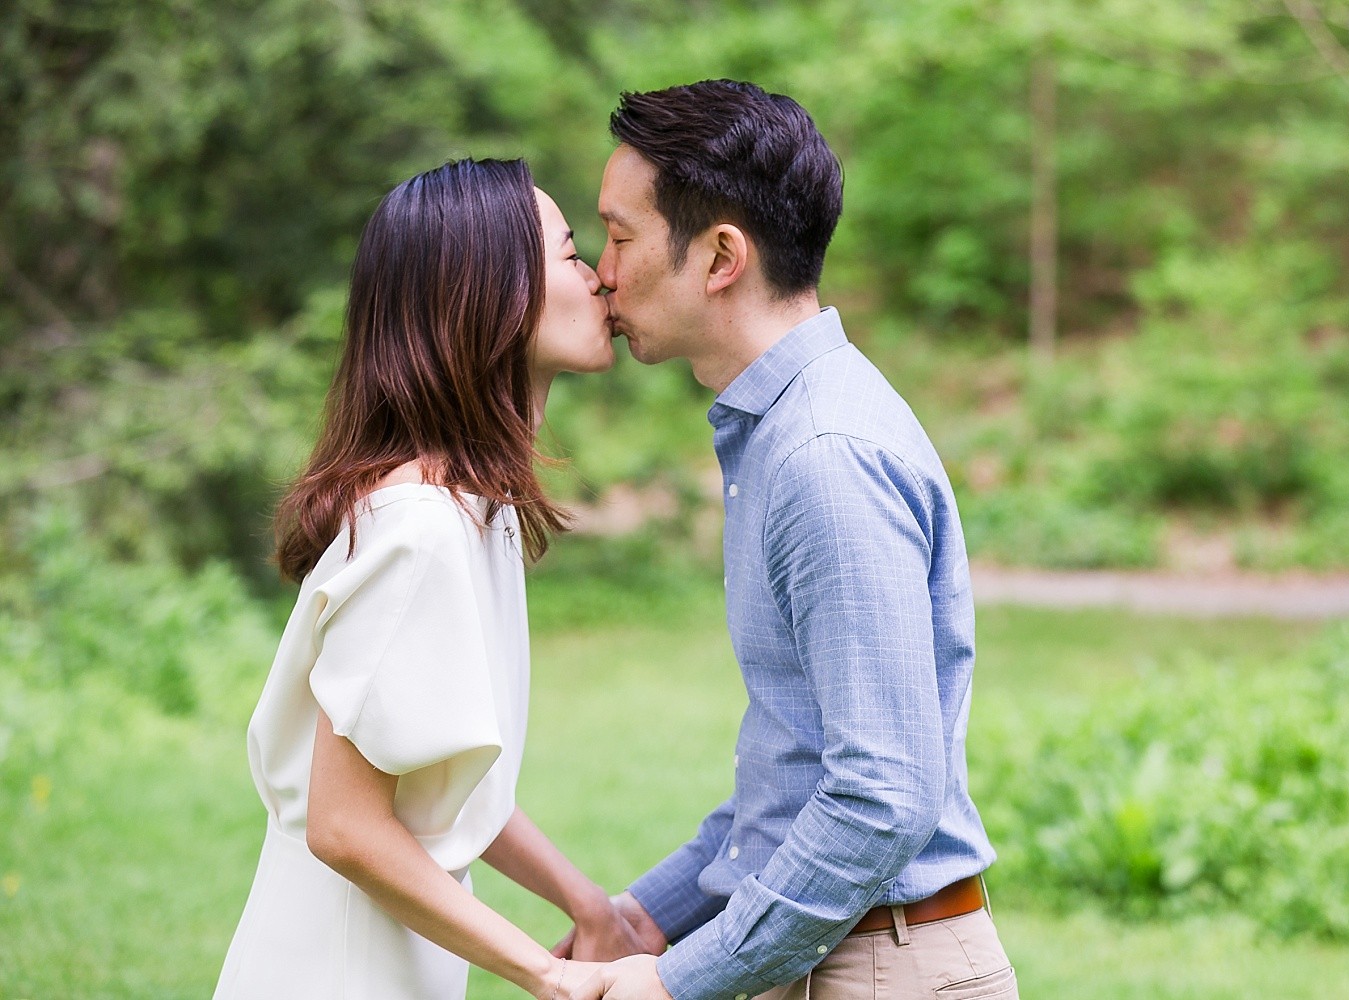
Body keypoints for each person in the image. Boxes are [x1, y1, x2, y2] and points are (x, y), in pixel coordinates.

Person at [565, 81, 1020, 1000]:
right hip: (836, 956)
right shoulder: (785, 433)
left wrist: (673, 980)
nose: (603, 272)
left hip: (881, 969)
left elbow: (879, 795)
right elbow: (803, 760)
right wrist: (649, 916)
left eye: (619, 236)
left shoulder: (824, 456)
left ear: (721, 256)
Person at [213, 157, 643, 1000]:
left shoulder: (479, 510)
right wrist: (546, 973)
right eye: (569, 254)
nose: (600, 278)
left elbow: (438, 782)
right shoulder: (421, 528)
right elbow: (344, 825)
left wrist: (587, 906)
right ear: (492, 295)